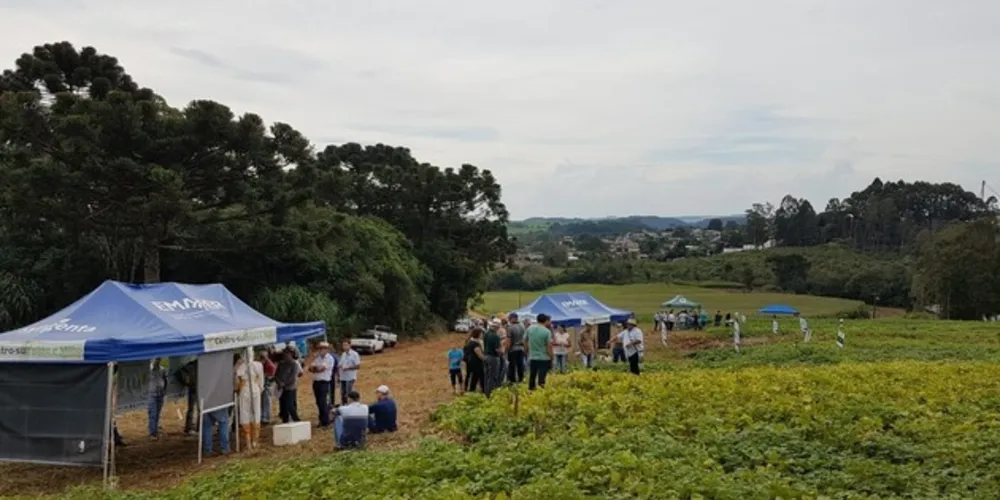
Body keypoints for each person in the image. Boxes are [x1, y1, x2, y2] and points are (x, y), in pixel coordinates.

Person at [234, 351, 263, 450]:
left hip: (245, 389)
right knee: (255, 412)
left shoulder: (240, 366)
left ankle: (250, 442)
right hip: (254, 389)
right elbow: (261, 381)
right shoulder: (258, 365)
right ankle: (253, 441)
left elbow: (236, 381)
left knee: (245, 412)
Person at [309, 341, 335, 428]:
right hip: (316, 381)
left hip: (324, 382)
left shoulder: (329, 358)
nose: (321, 350)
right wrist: (315, 368)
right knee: (318, 402)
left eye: (323, 348)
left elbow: (321, 369)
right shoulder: (318, 358)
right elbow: (310, 368)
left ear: (327, 349)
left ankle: (326, 421)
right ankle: (322, 419)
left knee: (323, 402)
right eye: (320, 348)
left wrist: (315, 368)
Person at [524, 313, 553, 390]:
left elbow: (525, 340)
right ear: (545, 321)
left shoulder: (530, 328)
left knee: (532, 376)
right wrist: (551, 356)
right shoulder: (547, 332)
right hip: (544, 358)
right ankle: (540, 393)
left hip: (533, 356)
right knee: (542, 378)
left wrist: (526, 349)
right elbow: (548, 346)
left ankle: (530, 391)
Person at [275, 348, 302, 423]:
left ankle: (296, 419)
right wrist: (279, 382)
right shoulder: (281, 364)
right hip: (281, 388)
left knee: (290, 405)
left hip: (290, 388)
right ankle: (285, 420)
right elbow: (276, 374)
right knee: (283, 406)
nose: (286, 355)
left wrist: (284, 383)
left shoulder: (294, 364)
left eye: (288, 353)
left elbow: (293, 377)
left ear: (291, 354)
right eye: (285, 353)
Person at [175, 359, 199, 436]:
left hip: (193, 387)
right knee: (196, 409)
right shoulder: (196, 364)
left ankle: (190, 427)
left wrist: (186, 382)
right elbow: (178, 372)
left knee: (193, 409)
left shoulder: (190, 364)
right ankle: (193, 428)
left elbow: (178, 372)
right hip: (196, 387)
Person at [147, 357, 168, 440]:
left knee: (157, 413)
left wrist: (164, 390)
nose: (158, 361)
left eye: (159, 359)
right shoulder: (149, 369)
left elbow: (165, 380)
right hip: (151, 394)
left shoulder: (162, 369)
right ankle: (152, 433)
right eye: (156, 359)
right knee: (153, 413)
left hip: (160, 394)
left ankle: (155, 430)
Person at [483, 320, 503, 396]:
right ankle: (490, 394)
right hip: (493, 357)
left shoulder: (486, 334)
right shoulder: (495, 336)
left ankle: (485, 391)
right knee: (492, 376)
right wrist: (501, 353)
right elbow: (497, 350)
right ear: (497, 327)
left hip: (486, 356)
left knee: (486, 375)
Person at [339, 339, 361, 405]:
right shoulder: (343, 354)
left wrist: (348, 368)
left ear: (349, 345)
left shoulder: (354, 354)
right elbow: (340, 364)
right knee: (342, 393)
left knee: (349, 393)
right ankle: (343, 406)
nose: (344, 347)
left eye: (346, 345)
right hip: (343, 377)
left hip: (350, 377)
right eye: (343, 345)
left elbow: (358, 366)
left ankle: (350, 405)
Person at [505, 313, 526, 383]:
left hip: (513, 349)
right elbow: (524, 339)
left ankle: (512, 381)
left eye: (509, 318)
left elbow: (509, 340)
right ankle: (521, 379)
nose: (509, 320)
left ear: (512, 318)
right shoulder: (522, 326)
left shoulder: (510, 328)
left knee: (512, 366)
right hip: (521, 348)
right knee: (520, 365)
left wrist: (507, 349)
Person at [258, 349, 277, 425]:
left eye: (262, 357)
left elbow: (269, 376)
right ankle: (264, 417)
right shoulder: (265, 364)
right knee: (264, 402)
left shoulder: (269, 365)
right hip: (265, 385)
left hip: (268, 386)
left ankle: (266, 418)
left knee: (266, 402)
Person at [464, 328, 486, 393]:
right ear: (478, 334)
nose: (482, 335)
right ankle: (483, 390)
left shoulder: (471, 342)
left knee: (475, 377)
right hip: (477, 363)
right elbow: (480, 355)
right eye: (481, 333)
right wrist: (486, 359)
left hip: (472, 362)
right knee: (481, 376)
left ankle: (472, 390)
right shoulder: (475, 344)